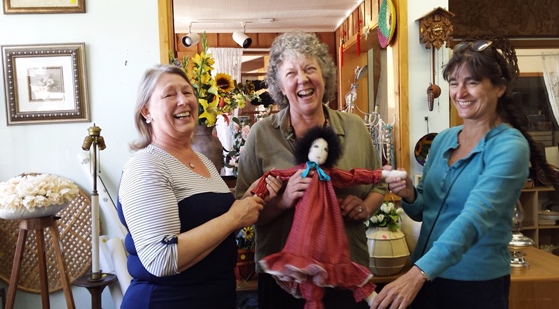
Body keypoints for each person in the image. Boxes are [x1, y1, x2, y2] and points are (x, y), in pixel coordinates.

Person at [372, 37, 559, 309]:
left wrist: (418, 273)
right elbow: (427, 210)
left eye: (472, 82)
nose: (460, 92)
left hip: (474, 285)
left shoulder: (509, 146)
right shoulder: (443, 140)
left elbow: (476, 217)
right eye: (454, 82)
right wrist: (411, 193)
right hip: (427, 277)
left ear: (499, 88)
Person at [235, 31, 388, 309]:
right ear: (280, 86)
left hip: (345, 273)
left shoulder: (354, 128)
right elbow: (243, 210)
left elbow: (378, 185)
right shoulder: (262, 135)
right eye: (291, 73)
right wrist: (282, 200)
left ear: (324, 76)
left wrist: (365, 207)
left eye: (310, 69)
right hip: (283, 277)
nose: (302, 79)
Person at [117, 64, 272, 309]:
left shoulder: (203, 162)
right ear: (146, 111)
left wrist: (246, 203)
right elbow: (161, 258)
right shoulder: (146, 165)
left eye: (187, 92)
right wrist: (233, 218)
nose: (183, 101)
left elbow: (209, 228)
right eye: (170, 94)